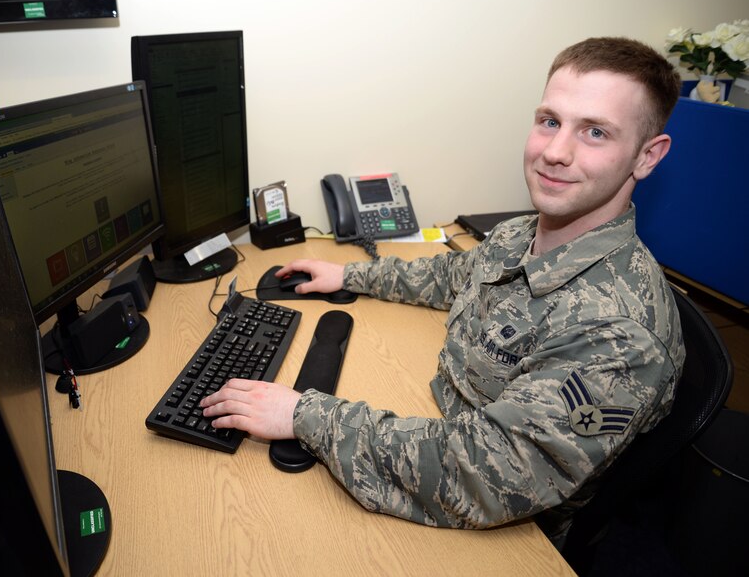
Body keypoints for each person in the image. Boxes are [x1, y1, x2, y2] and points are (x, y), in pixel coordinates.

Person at [200, 36, 686, 547]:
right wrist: (347, 276)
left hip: (500, 529)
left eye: (595, 132)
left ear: (647, 156)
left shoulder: (619, 334)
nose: (554, 152)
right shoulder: (523, 233)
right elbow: (455, 274)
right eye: (549, 121)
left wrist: (302, 415)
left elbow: (483, 473)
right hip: (434, 418)